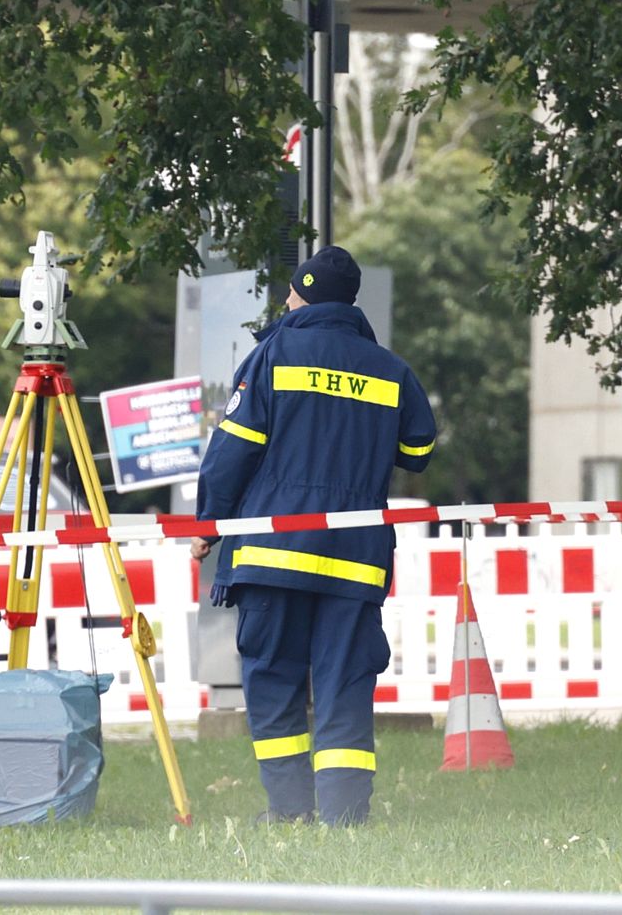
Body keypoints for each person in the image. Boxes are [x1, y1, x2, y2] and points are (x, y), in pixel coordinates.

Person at [192, 245, 436, 826]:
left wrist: (208, 526)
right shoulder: (391, 369)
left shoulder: (272, 354)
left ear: (300, 295)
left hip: (273, 553)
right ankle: (346, 815)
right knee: (345, 683)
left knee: (273, 682)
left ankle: (288, 810)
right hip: (354, 558)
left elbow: (233, 451)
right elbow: (418, 451)